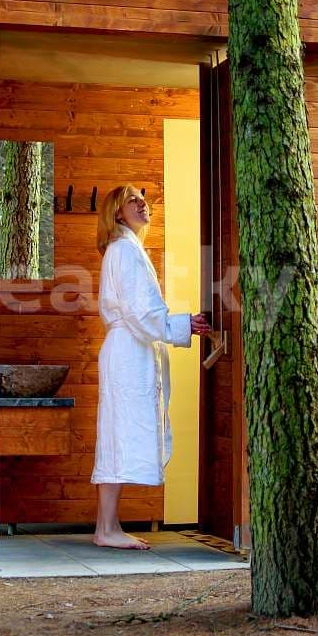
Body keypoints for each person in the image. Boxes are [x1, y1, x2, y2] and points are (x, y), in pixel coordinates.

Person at [92, 184, 210, 550]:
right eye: (132, 200)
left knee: (117, 434)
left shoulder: (125, 249)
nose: (142, 203)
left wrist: (179, 325)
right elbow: (140, 312)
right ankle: (106, 529)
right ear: (117, 213)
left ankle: (107, 526)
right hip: (128, 352)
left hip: (129, 350)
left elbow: (139, 312)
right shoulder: (124, 251)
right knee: (118, 434)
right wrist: (182, 324)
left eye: (143, 198)